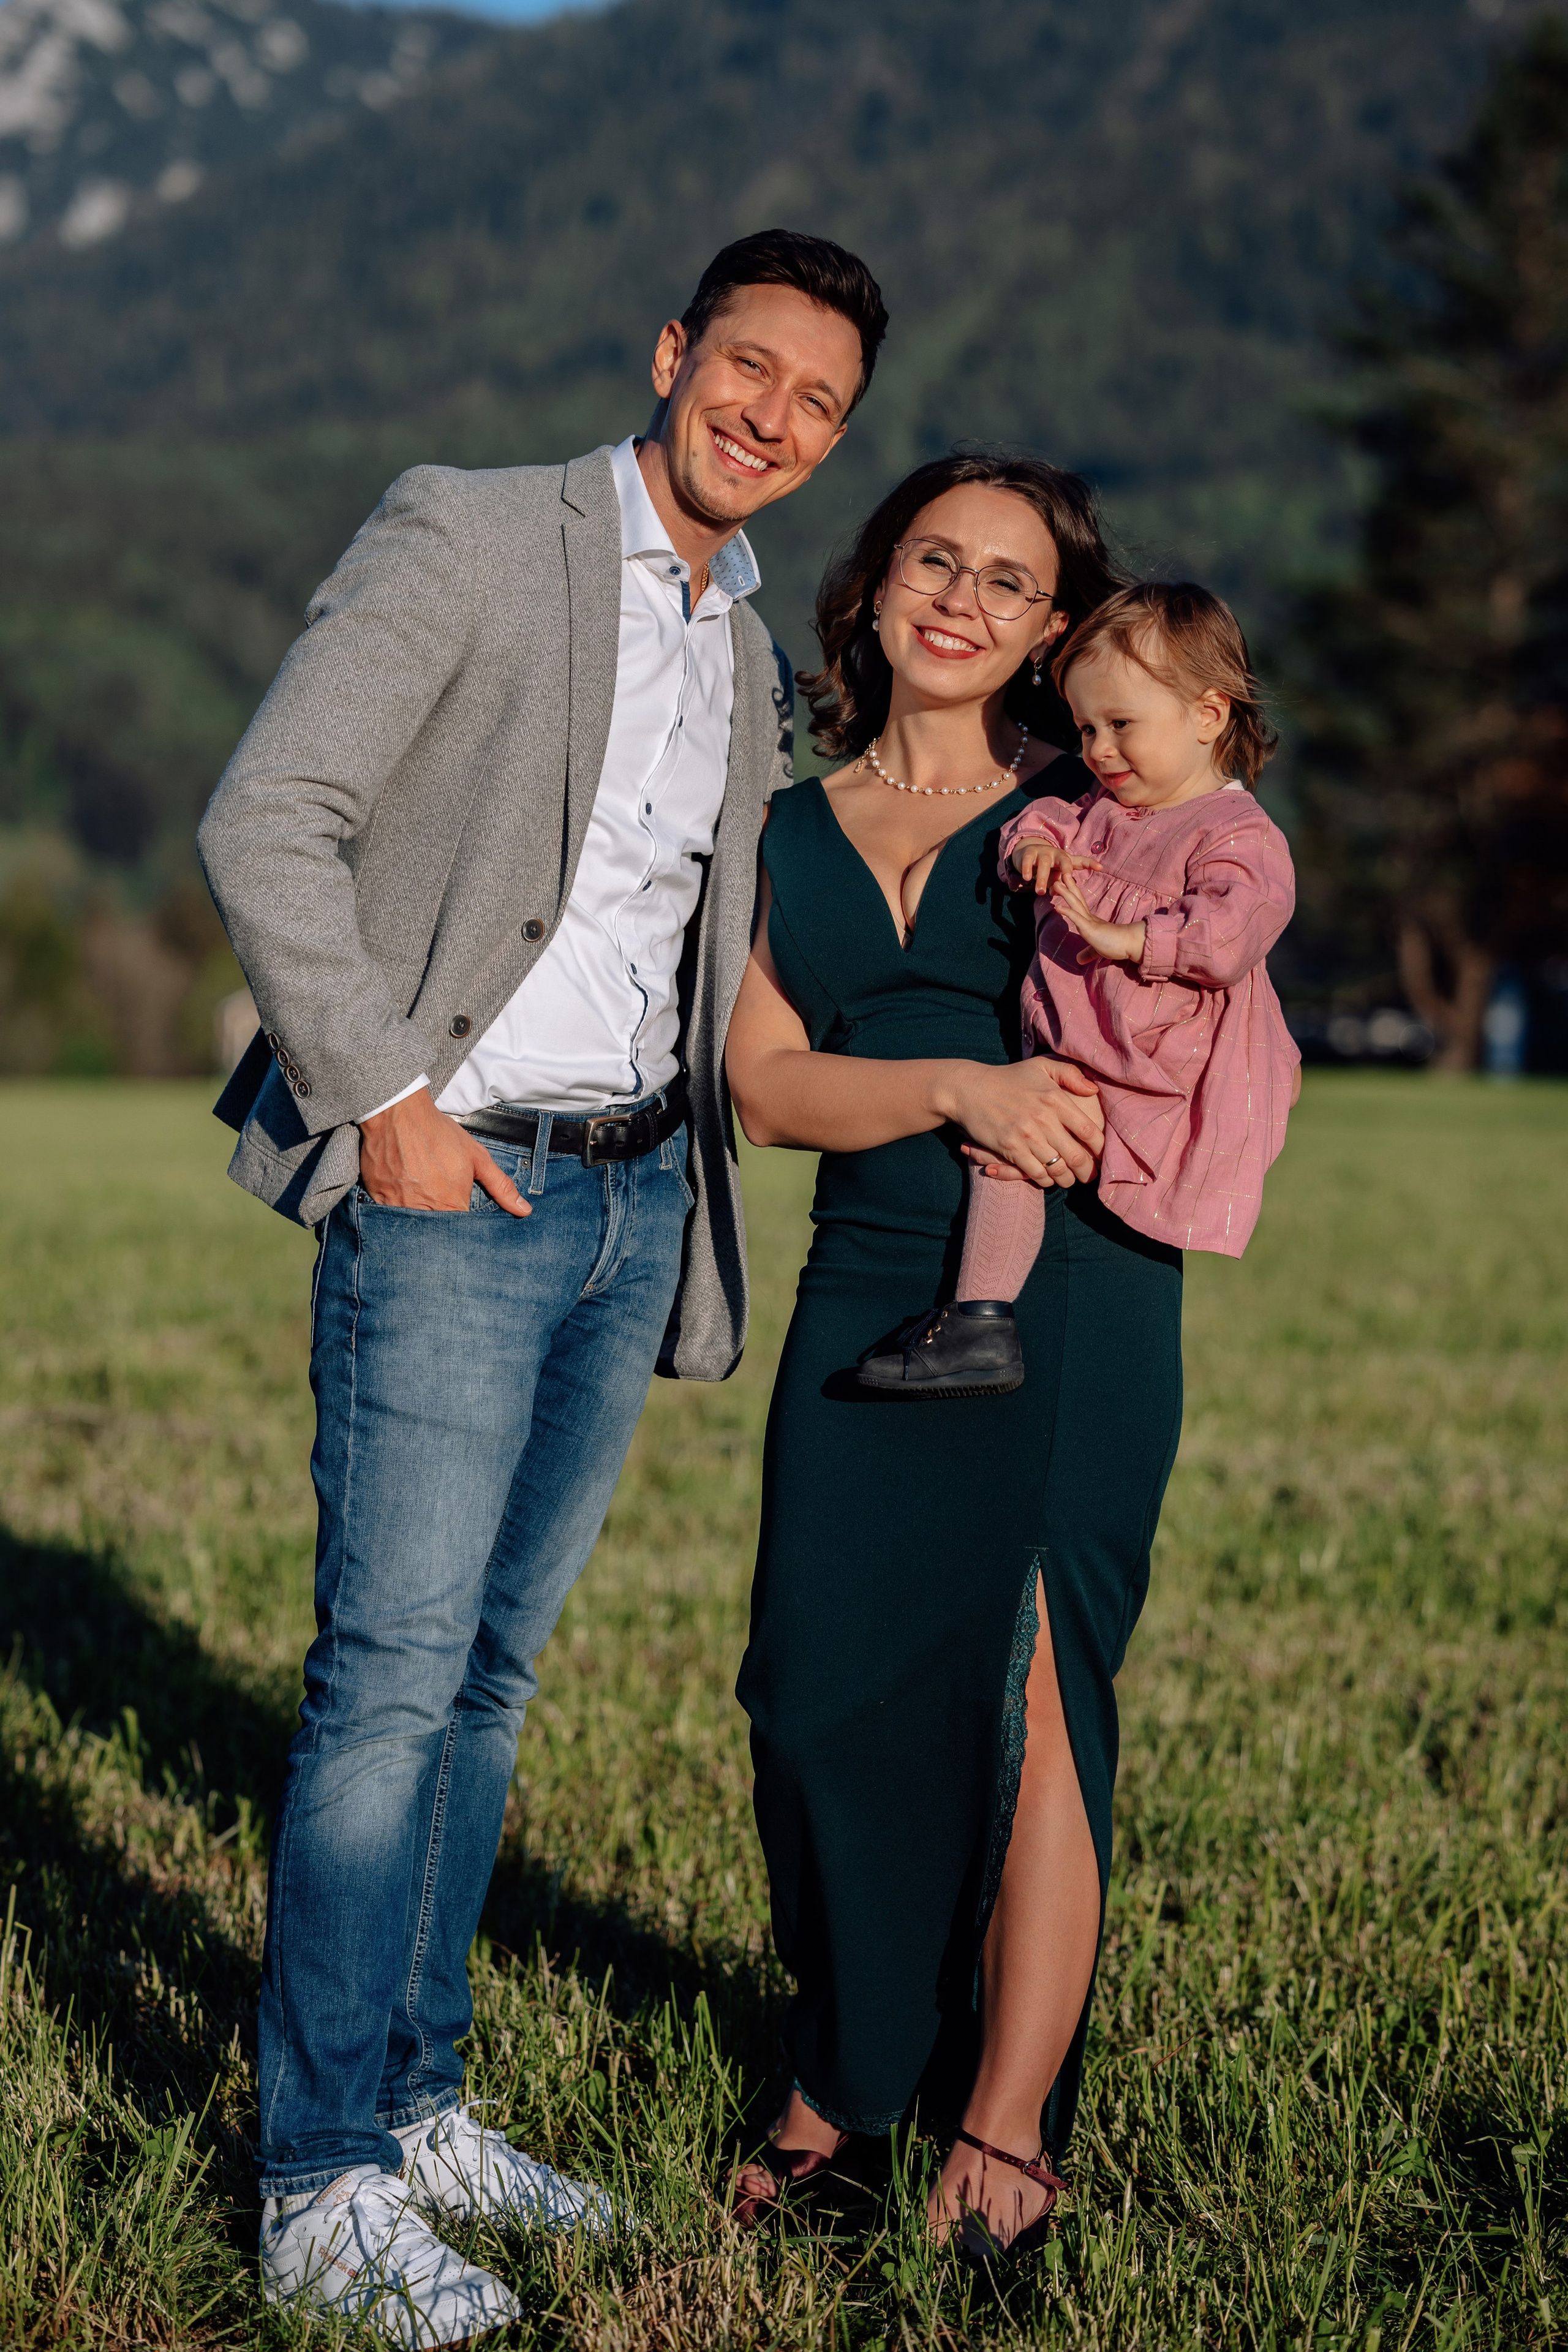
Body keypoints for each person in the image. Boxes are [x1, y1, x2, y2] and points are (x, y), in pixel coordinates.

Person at [197, 228, 887, 2344]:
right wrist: (383, 1097)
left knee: (488, 1689)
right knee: (386, 1690)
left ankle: (418, 2109)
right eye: (746, 366)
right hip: (452, 1185)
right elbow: (265, 817)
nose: (768, 417)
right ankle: (317, 2185)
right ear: (675, 351)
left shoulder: (754, 654)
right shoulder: (475, 533)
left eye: (817, 403)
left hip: (631, 1208)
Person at [723, 451, 1185, 2261]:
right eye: (938, 559)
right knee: (818, 1689)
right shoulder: (788, 824)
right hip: (870, 1270)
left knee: (1042, 1697)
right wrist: (951, 1085)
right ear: (879, 575)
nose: (961, 601)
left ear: (1054, 631)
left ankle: (992, 2129)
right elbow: (766, 1086)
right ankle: (856, 2049)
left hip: (1071, 1279)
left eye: (1009, 583)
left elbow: (1215, 948)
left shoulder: (1091, 809)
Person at [859, 579, 1299, 1399]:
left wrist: (1129, 939)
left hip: (1157, 1074)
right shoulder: (1102, 808)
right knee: (1015, 1153)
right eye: (1088, 727)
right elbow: (1049, 821)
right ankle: (983, 1322)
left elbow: (1233, 932)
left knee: (1014, 1154)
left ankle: (983, 1317)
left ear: (1207, 716)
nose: (1099, 749)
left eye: (1122, 726)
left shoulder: (1237, 834)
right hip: (1088, 1057)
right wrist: (1034, 849)